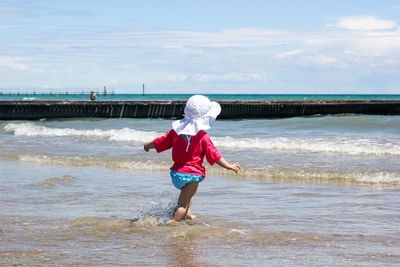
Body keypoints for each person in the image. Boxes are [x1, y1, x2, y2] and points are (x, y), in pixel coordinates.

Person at [144, 95, 240, 222]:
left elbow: (161, 141)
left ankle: (188, 213)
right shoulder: (202, 136)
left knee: (188, 195)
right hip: (192, 174)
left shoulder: (176, 132)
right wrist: (228, 165)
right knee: (183, 203)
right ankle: (173, 222)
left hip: (176, 174)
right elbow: (214, 155)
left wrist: (147, 146)